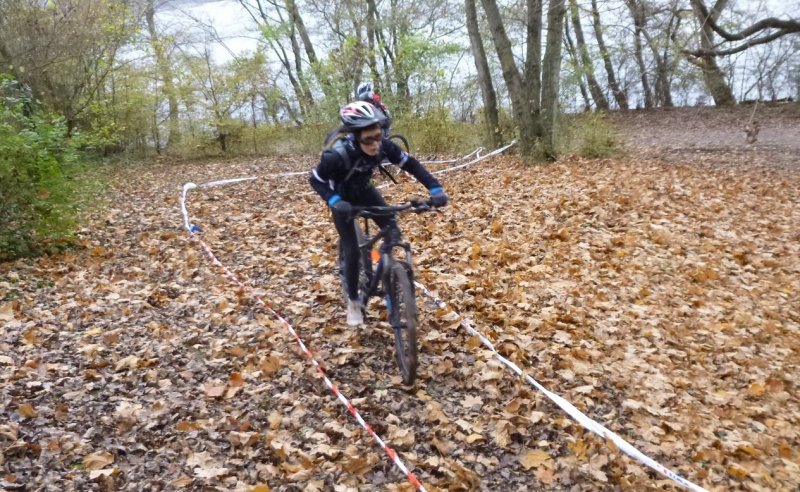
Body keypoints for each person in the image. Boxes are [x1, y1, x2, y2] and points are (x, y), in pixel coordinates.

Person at [309, 101, 448, 326]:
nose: (375, 144)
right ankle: (354, 301)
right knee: (352, 249)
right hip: (342, 199)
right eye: (368, 139)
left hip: (365, 191)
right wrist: (334, 200)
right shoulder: (335, 156)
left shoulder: (384, 146)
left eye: (378, 135)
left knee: (392, 226)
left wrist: (435, 189)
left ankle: (388, 267)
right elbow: (316, 180)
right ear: (355, 137)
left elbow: (411, 164)